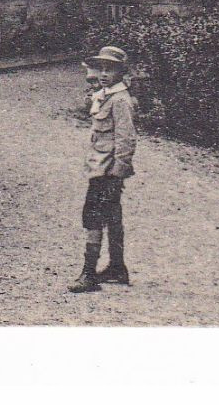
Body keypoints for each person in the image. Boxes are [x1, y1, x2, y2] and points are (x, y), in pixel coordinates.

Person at [70, 45, 137, 293]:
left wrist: (118, 172)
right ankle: (117, 268)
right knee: (111, 216)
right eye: (102, 68)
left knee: (94, 217)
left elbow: (127, 140)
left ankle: (89, 274)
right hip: (100, 168)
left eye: (111, 68)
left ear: (122, 71)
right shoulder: (106, 95)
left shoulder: (120, 100)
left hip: (108, 171)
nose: (104, 74)